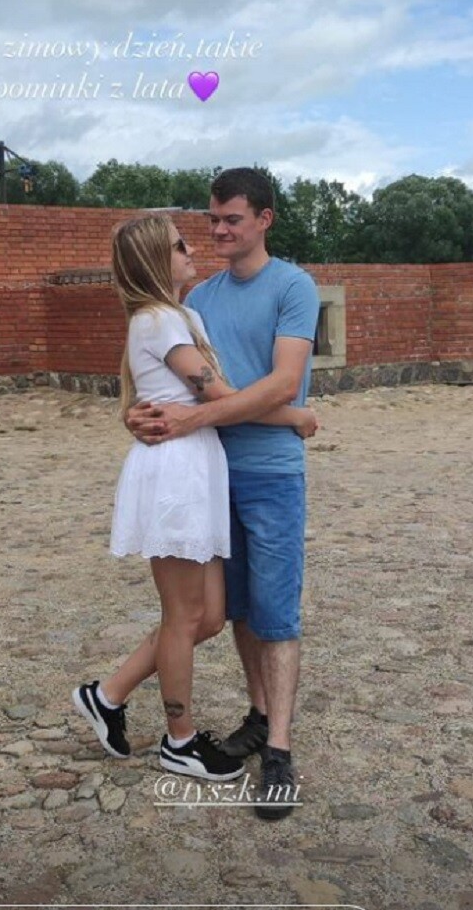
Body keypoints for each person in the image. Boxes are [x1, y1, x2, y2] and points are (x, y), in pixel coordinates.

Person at [73, 212, 317, 782]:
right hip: (179, 473)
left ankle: (108, 695)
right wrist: (295, 416)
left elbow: (173, 395)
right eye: (180, 244)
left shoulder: (180, 313)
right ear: (156, 259)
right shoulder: (163, 319)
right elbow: (219, 394)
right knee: (185, 616)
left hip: (200, 465)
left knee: (207, 617)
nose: (194, 248)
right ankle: (179, 741)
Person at [126, 169, 321, 820]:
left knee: (277, 612)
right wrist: (136, 416)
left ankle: (280, 749)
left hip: (271, 472)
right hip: (210, 474)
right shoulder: (198, 298)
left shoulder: (293, 286)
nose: (217, 230)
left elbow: (282, 383)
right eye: (211, 220)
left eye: (231, 219)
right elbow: (166, 381)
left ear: (264, 219)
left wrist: (196, 419)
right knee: (236, 607)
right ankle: (260, 715)